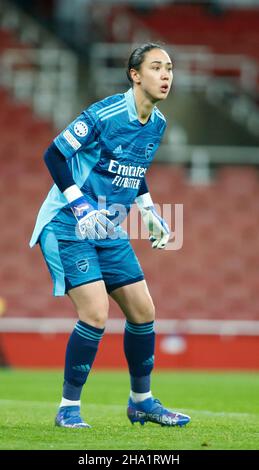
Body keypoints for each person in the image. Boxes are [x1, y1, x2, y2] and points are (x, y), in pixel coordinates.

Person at [30, 42, 191, 429]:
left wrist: (149, 210)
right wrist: (80, 204)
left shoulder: (157, 123)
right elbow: (54, 154)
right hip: (68, 222)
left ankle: (142, 402)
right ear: (135, 75)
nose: (166, 75)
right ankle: (68, 408)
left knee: (143, 311)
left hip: (109, 225)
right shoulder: (106, 113)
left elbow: (133, 168)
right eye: (156, 67)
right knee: (96, 313)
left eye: (169, 68)